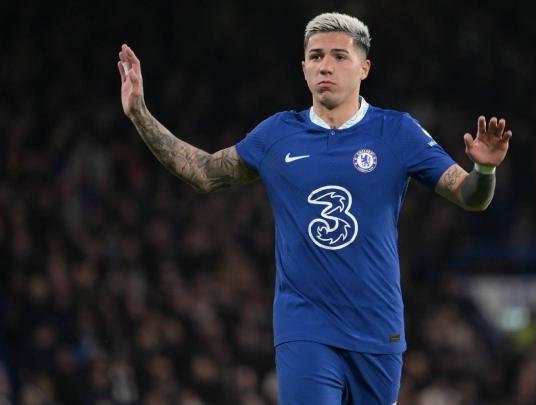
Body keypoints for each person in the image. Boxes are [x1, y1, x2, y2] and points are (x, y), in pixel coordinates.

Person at [117, 12, 512, 405]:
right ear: (304, 68)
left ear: (364, 68)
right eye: (316, 56)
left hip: (378, 328)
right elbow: (204, 172)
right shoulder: (277, 134)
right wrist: (140, 115)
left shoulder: (397, 131)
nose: (326, 66)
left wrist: (484, 169)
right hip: (305, 326)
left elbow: (469, 196)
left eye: (340, 56)